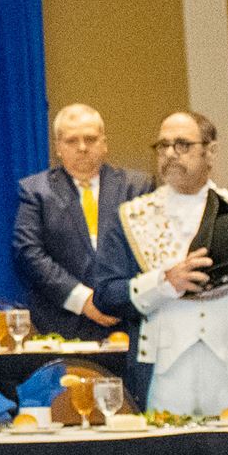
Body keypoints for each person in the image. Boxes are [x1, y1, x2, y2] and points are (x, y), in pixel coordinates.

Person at [94, 110, 228, 416]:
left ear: (210, 151)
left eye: (182, 145)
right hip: (161, 377)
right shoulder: (130, 217)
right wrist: (163, 283)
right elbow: (107, 295)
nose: (171, 154)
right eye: (163, 146)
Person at [12, 104, 151, 343]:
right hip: (62, 325)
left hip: (128, 322)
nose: (82, 148)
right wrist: (82, 300)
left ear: (104, 143)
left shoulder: (137, 187)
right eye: (71, 141)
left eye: (91, 139)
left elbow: (150, 251)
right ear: (58, 148)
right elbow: (28, 252)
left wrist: (119, 298)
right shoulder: (36, 191)